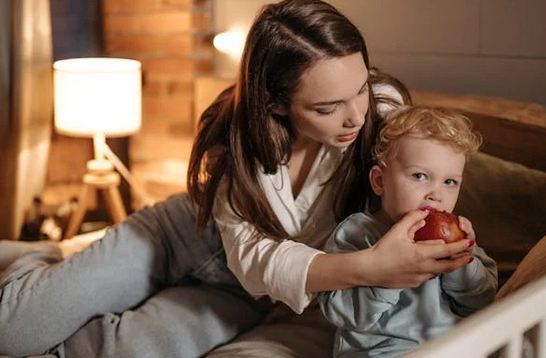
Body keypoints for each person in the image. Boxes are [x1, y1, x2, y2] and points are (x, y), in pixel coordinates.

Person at [0, 1, 474, 357]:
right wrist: (368, 268)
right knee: (14, 330)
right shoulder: (237, 136)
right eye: (327, 108)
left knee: (118, 352)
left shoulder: (384, 112)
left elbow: (430, 173)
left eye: (359, 91)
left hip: (244, 293)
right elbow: (255, 256)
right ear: (276, 104)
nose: (354, 118)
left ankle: (64, 268)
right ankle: (38, 259)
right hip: (182, 236)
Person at [318, 105, 498, 358]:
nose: (436, 194)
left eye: (449, 182)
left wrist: (462, 265)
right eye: (420, 176)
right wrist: (386, 276)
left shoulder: (457, 238)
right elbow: (342, 313)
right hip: (384, 352)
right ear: (380, 181)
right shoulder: (357, 234)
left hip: (453, 345)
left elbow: (482, 301)